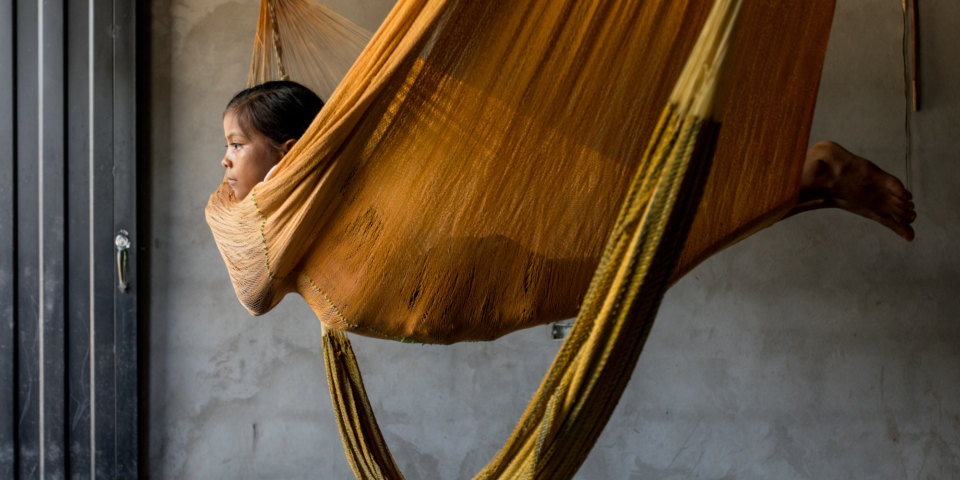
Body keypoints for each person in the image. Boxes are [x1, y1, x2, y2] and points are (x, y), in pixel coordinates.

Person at [220, 80, 916, 241]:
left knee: (667, 223)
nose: (225, 164)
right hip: (516, 215)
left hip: (528, 200)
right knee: (675, 232)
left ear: (285, 151)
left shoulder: (309, 188)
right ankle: (814, 187)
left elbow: (256, 287)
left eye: (234, 145)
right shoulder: (312, 188)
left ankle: (815, 172)